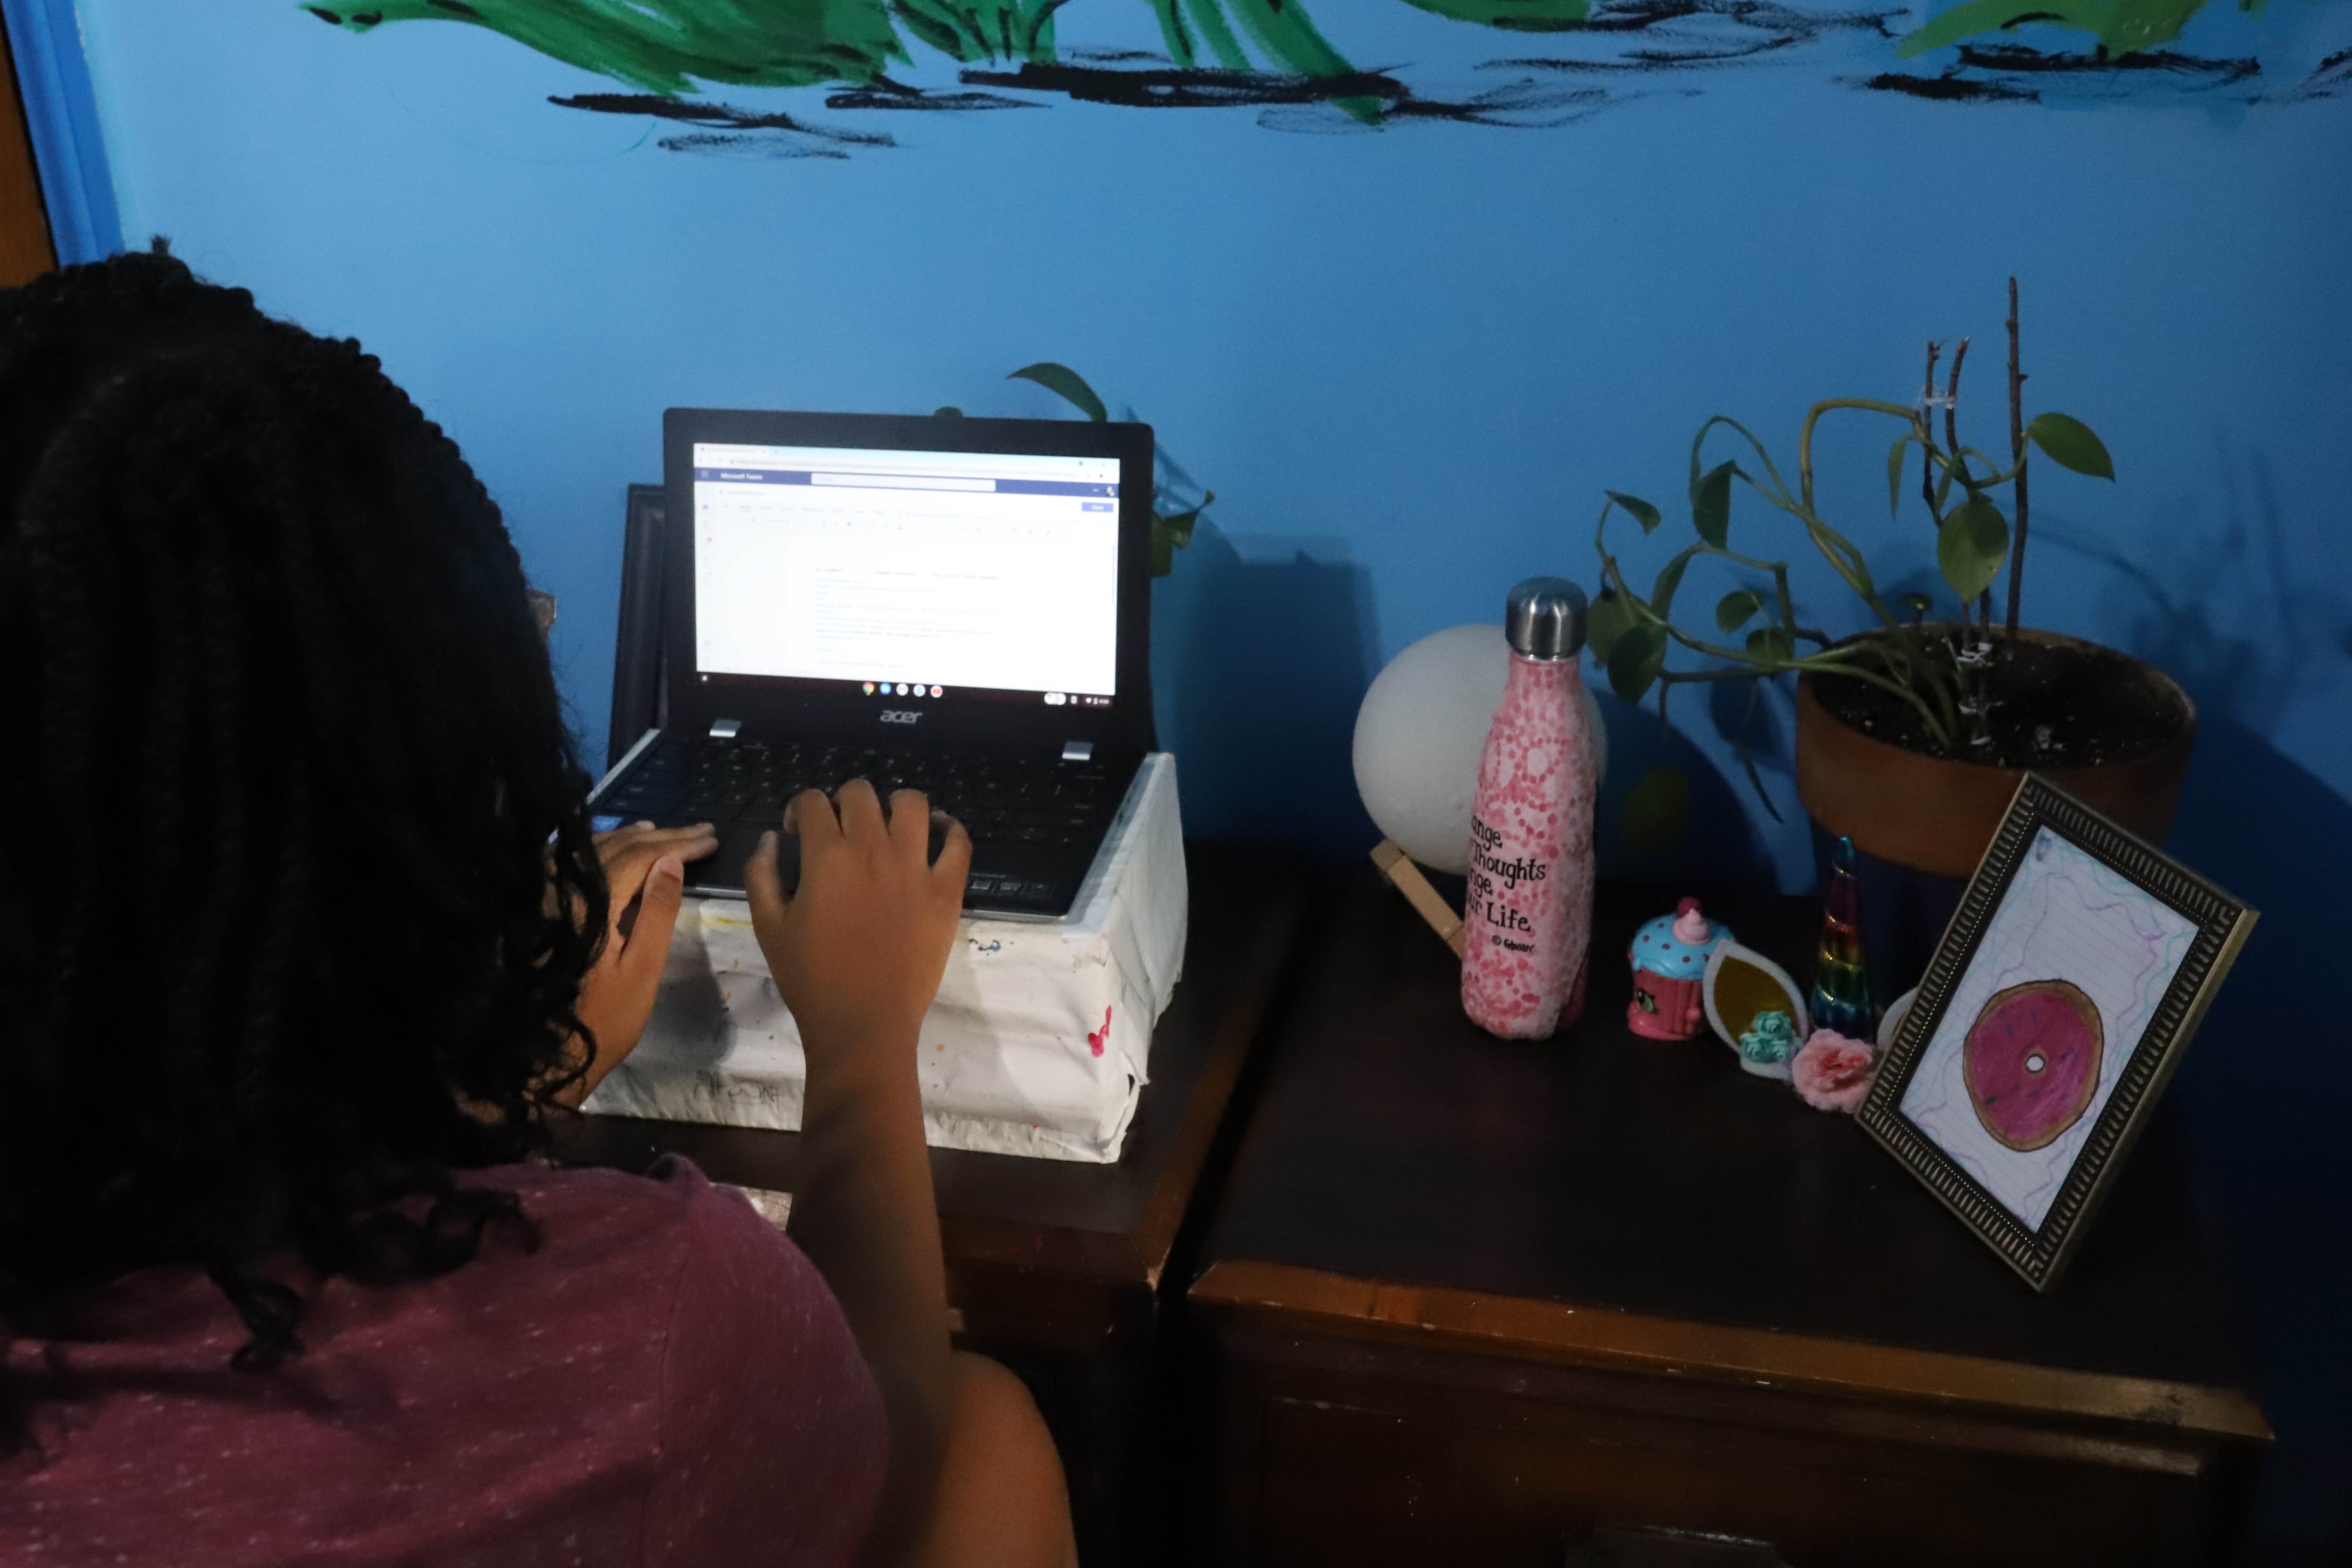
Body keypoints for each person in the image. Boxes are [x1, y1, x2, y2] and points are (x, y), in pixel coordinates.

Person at [0, 244, 1076, 1568]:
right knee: (986, 1427)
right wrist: (859, 1041)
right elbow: (884, 1443)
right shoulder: (652, 1326)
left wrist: (497, 1115)